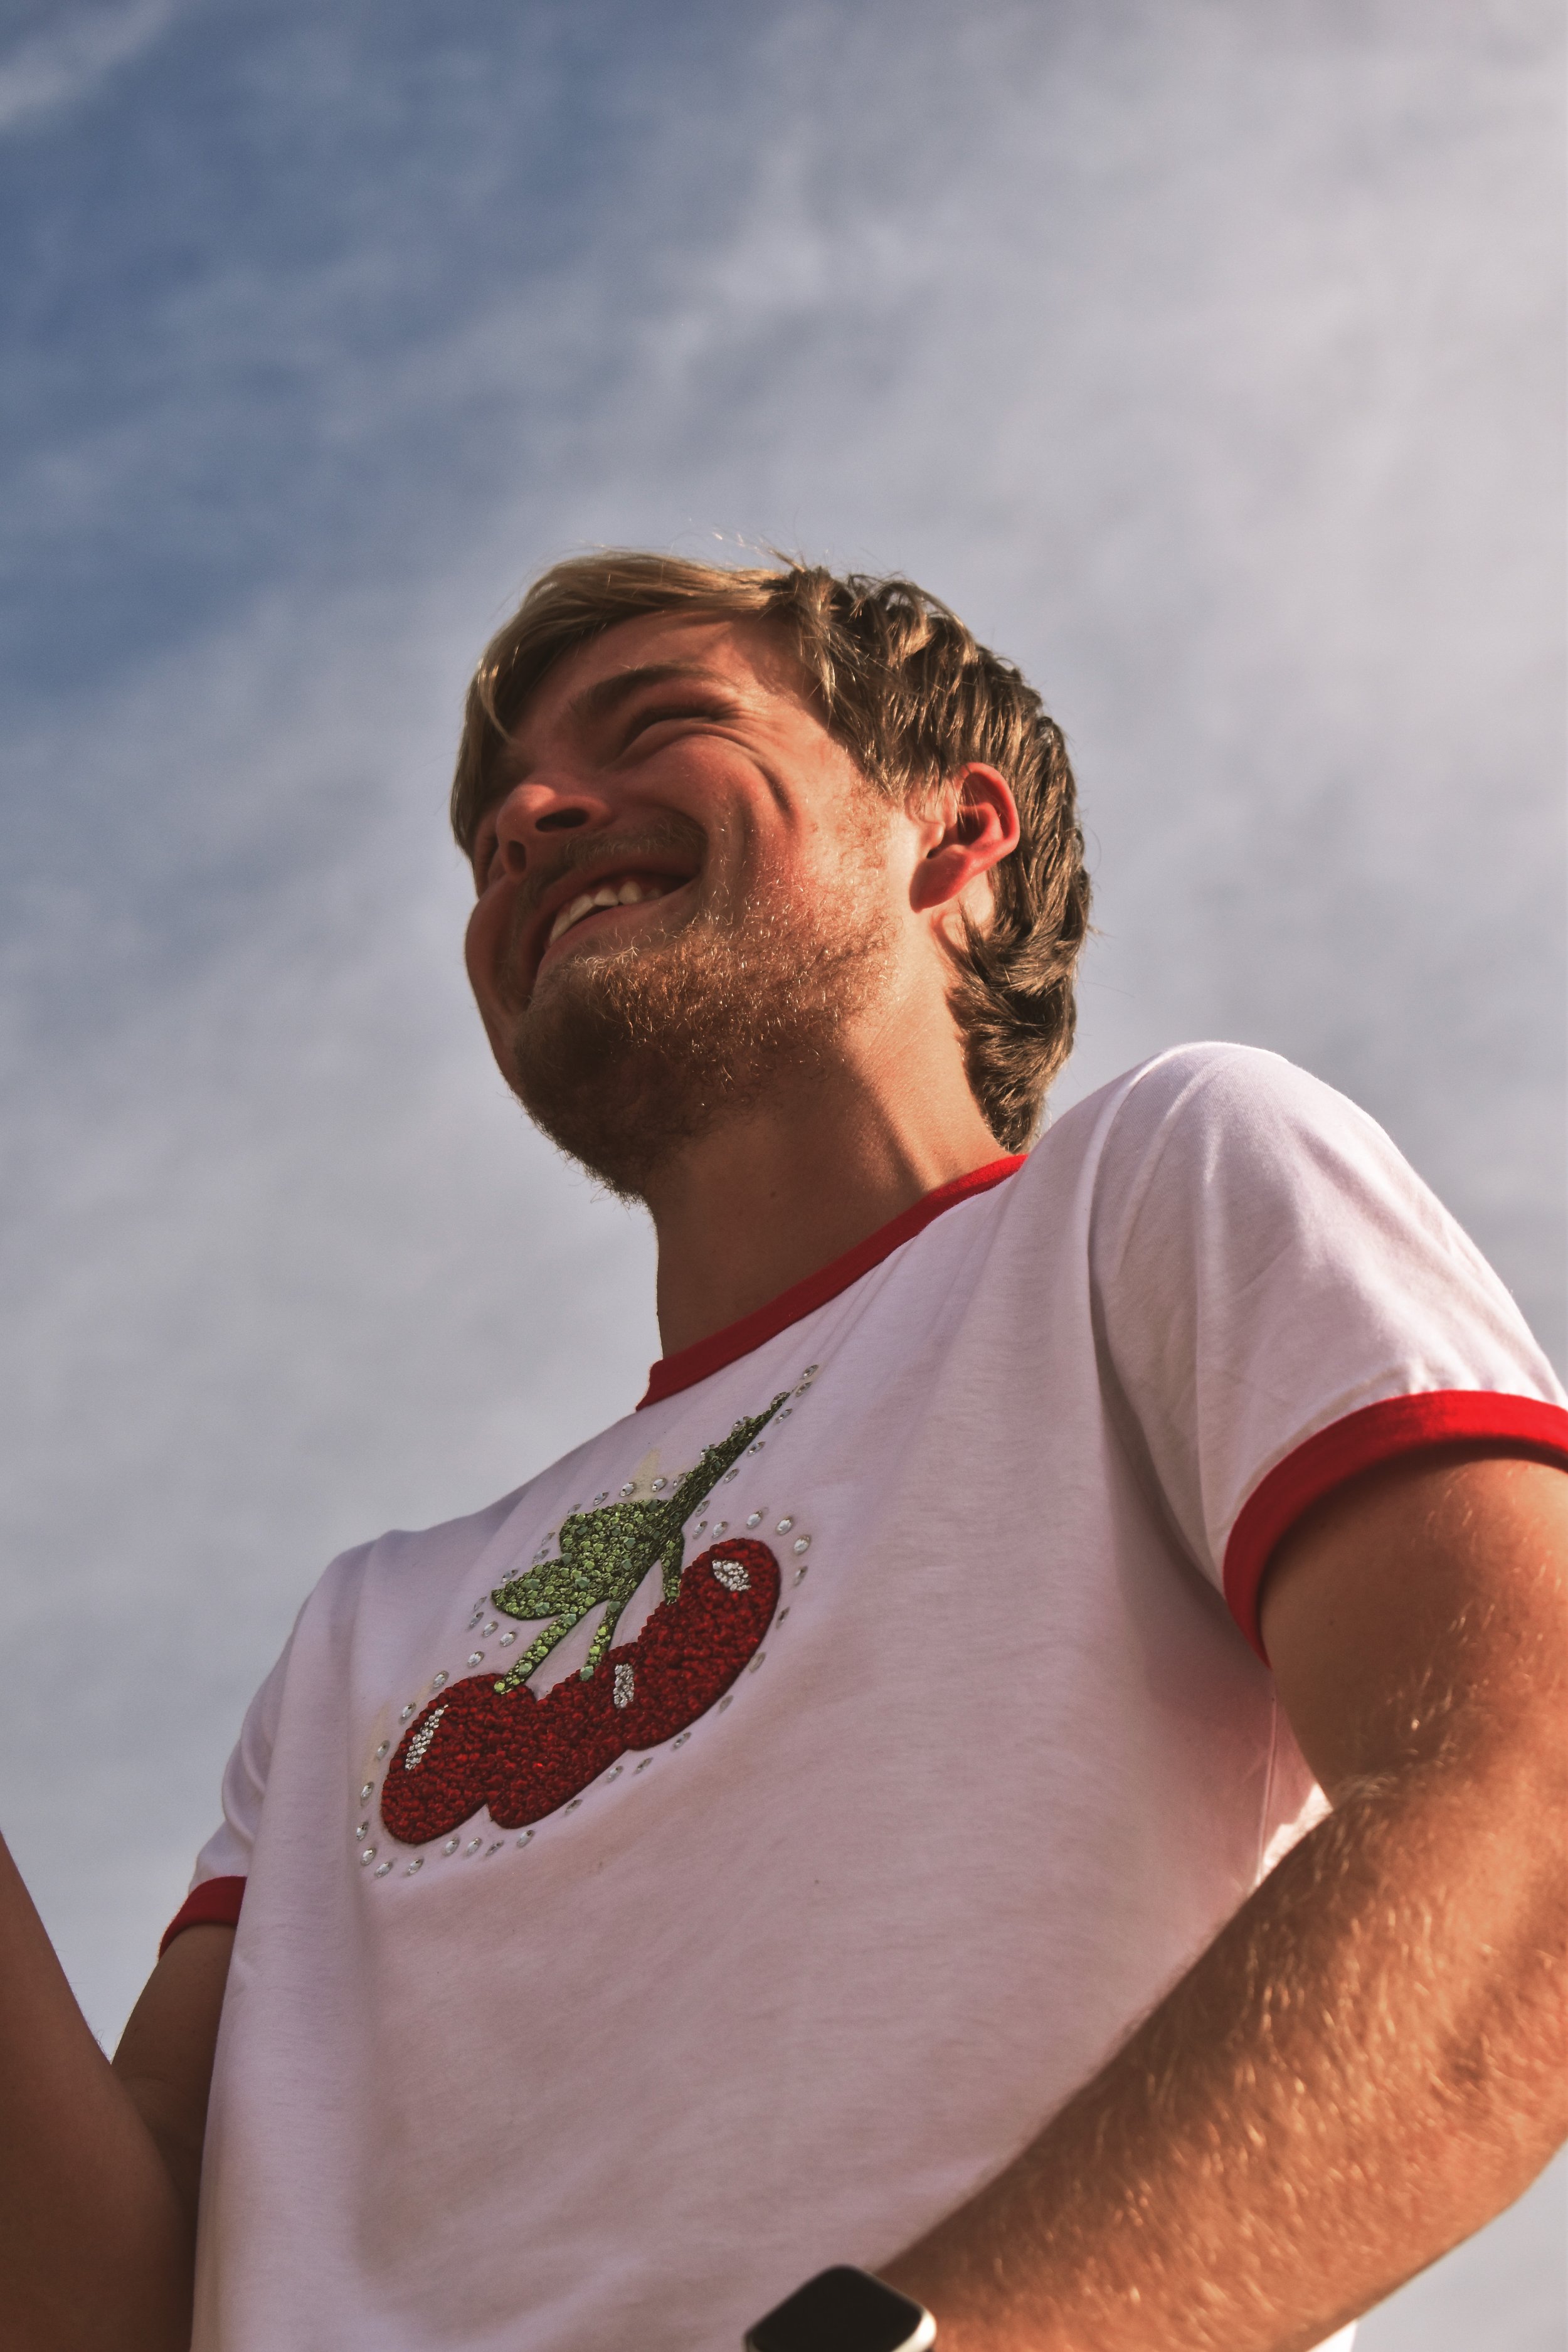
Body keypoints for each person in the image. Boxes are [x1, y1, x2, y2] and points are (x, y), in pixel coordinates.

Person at [3, 554, 1565, 2352]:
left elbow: (1521, 1805)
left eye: (658, 722)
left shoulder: (1159, 1186)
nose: (520, 815)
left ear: (955, 836)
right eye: (492, 821)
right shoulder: (366, 1630)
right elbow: (105, 2312)